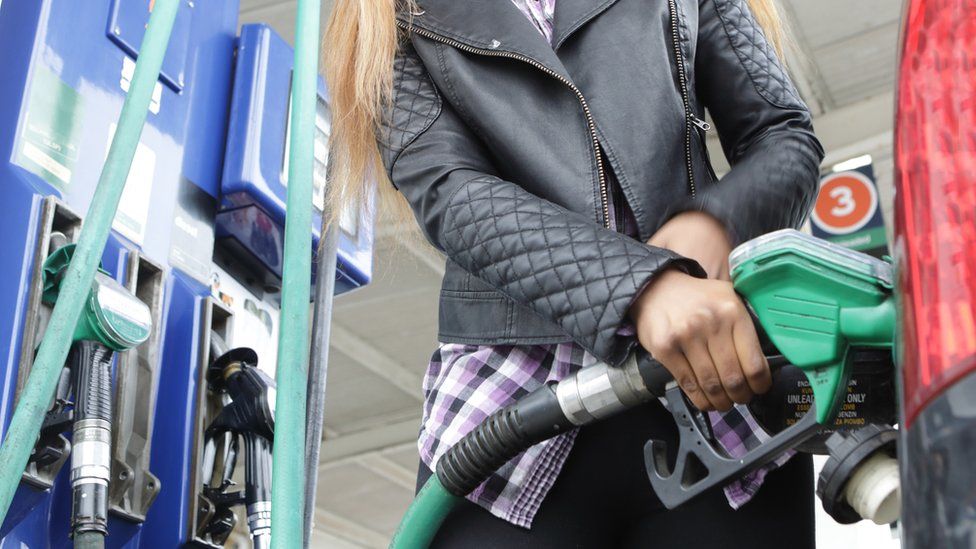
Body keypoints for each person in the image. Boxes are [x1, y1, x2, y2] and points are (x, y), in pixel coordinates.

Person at [325, 0, 824, 546]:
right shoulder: (389, 14)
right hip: (504, 414)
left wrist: (714, 224)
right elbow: (451, 192)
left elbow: (783, 134)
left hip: (722, 393)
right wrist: (643, 285)